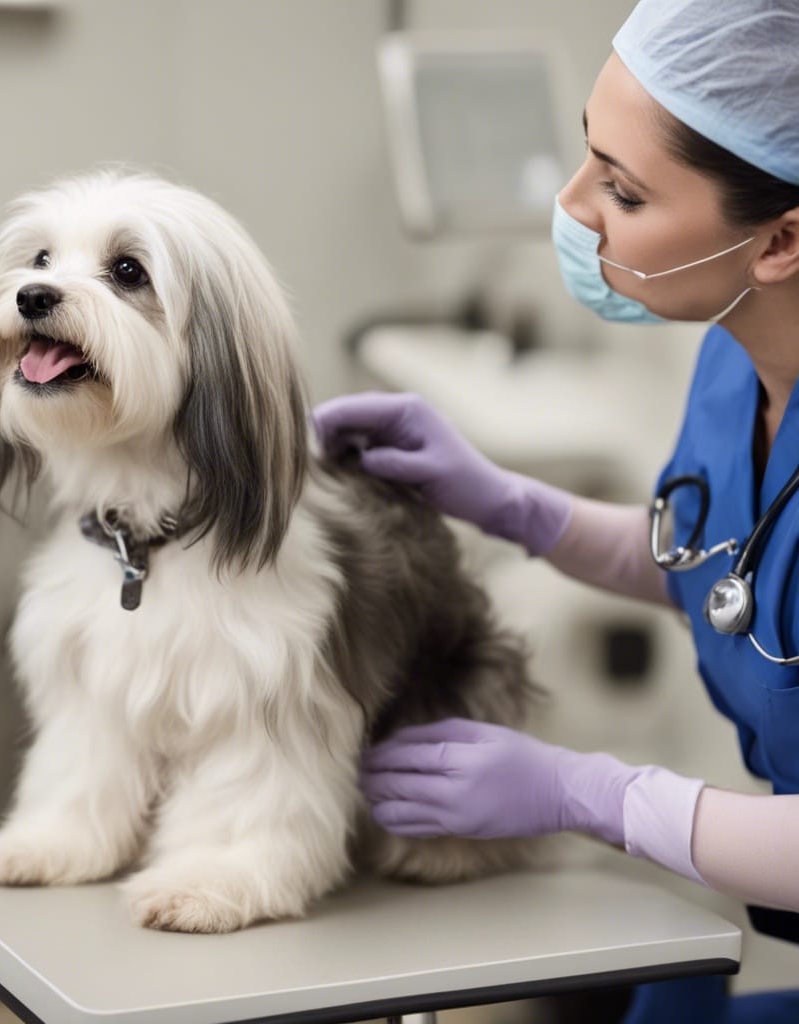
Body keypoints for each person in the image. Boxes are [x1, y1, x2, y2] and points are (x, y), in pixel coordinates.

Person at [313, 1, 799, 1021]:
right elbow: (716, 562)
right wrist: (509, 504)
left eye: (621, 191)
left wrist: (594, 794)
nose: (572, 206)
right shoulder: (732, 351)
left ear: (779, 240)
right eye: (586, 156)